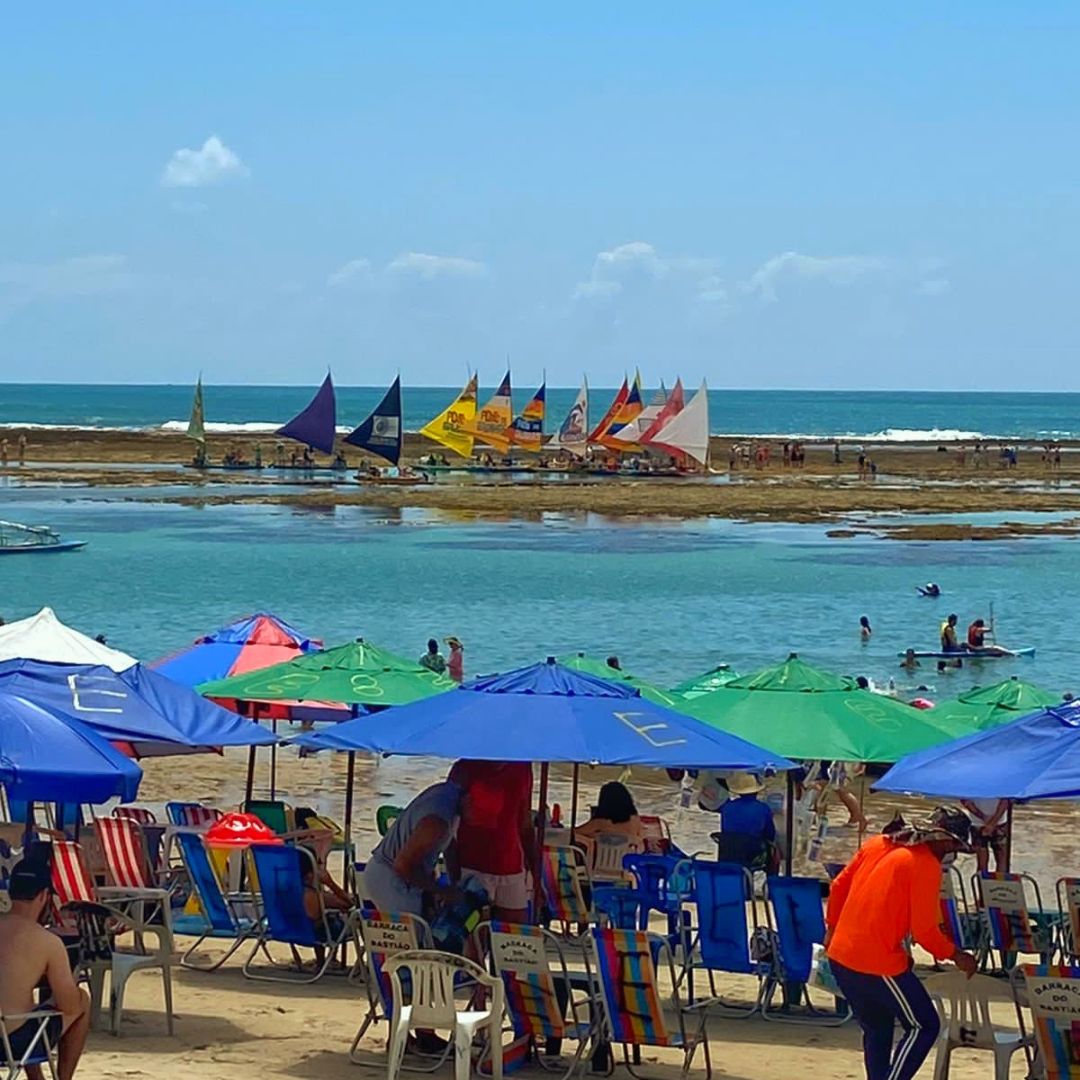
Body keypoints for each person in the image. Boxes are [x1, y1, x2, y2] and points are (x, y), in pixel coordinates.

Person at [825, 807, 977, 1080]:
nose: (952, 854)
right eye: (954, 846)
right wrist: (956, 955)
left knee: (878, 1028)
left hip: (839, 955)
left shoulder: (878, 844)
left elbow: (837, 887)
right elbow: (924, 932)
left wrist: (832, 929)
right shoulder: (926, 865)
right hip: (876, 962)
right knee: (924, 1026)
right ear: (942, 839)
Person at [0, 858, 90, 1080]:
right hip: (10, 1044)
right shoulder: (47, 941)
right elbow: (69, 1005)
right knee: (82, 1000)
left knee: (26, 1007)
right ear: (44, 896)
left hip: (6, 1030)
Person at [361, 780, 467, 917]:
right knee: (414, 935)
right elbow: (402, 865)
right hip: (391, 877)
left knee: (422, 930)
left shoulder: (450, 794)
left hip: (391, 871)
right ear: (469, 802)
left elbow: (449, 844)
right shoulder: (437, 822)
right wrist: (441, 890)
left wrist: (454, 882)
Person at [447, 760, 536, 922]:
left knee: (515, 936)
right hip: (472, 866)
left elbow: (525, 824)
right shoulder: (465, 768)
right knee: (472, 934)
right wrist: (454, 877)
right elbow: (448, 823)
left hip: (511, 865)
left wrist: (537, 877)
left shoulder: (522, 767)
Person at [717, 773, 779, 872]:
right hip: (752, 854)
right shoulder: (763, 808)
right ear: (757, 791)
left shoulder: (727, 807)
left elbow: (725, 830)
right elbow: (770, 834)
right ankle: (771, 881)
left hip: (728, 852)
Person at [574, 781, 645, 848]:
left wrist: (594, 836)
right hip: (626, 859)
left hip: (602, 859)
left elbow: (575, 833)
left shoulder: (600, 822)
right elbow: (639, 838)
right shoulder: (635, 820)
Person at [961, 798, 1009, 873]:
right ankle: (1000, 884)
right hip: (998, 822)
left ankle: (983, 883)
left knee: (983, 861)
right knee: (1001, 860)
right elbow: (1006, 800)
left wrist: (984, 818)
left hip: (978, 823)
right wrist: (993, 822)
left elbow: (965, 801)